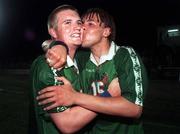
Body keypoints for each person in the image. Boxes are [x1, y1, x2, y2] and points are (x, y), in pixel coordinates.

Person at [37, 8, 148, 134]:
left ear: (106, 31)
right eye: (81, 23)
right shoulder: (81, 59)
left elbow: (134, 108)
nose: (82, 28)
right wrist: (57, 45)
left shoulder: (124, 55)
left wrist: (75, 97)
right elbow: (51, 43)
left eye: (90, 24)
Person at [30, 5, 115, 134]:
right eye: (67, 23)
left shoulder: (83, 60)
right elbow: (68, 124)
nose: (78, 27)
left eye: (79, 22)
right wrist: (108, 94)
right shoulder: (47, 65)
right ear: (53, 32)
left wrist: (56, 44)